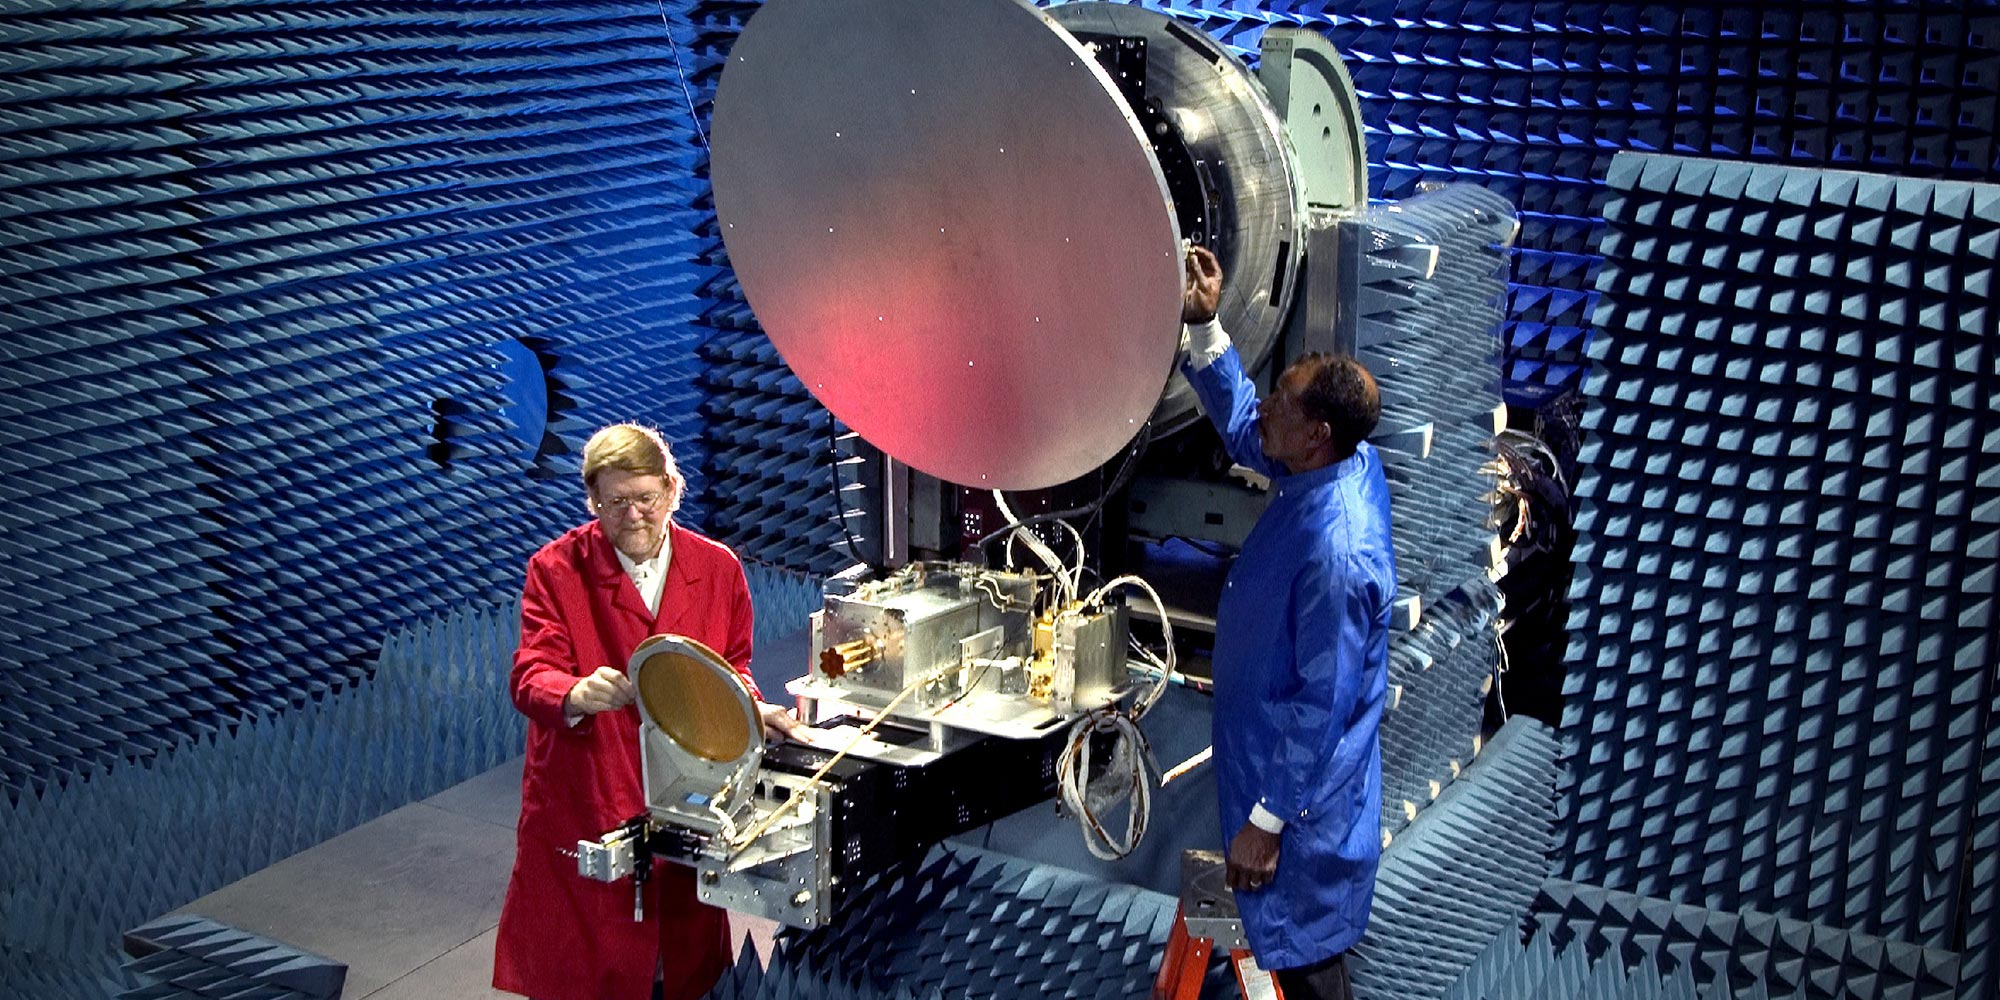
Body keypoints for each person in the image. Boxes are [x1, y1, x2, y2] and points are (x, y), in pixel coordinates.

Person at [493, 423, 799, 1000]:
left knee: (680, 970)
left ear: (672, 489)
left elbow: (733, 669)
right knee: (590, 975)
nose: (632, 515)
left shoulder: (717, 568)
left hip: (686, 797)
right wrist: (576, 692)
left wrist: (751, 710)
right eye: (614, 503)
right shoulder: (555, 571)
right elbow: (530, 674)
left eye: (645, 499)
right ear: (593, 502)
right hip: (589, 797)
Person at [1180, 246, 1396, 999]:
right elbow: (1249, 429)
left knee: (1305, 966)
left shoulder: (1337, 551)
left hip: (1301, 810)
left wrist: (1266, 824)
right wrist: (1206, 327)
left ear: (1317, 437)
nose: (1265, 406)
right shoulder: (1336, 461)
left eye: (1283, 401)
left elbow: (1323, 702)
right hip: (1272, 767)